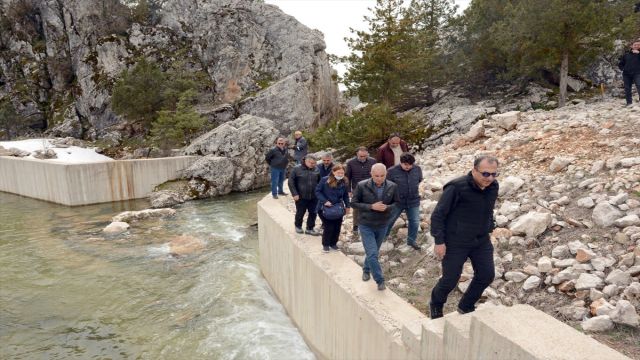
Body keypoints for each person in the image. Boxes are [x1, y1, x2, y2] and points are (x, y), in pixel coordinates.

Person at [428, 155, 500, 319]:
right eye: (485, 174)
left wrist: (490, 224)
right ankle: (436, 304)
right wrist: (439, 241)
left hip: (480, 240)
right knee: (450, 279)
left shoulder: (493, 186)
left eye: (494, 174)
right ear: (474, 170)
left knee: (486, 275)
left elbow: (487, 209)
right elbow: (438, 215)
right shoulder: (456, 187)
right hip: (455, 242)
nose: (490, 178)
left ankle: (466, 305)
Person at [351, 163, 398, 291]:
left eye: (382, 176)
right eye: (376, 176)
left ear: (386, 174)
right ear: (371, 174)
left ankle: (366, 269)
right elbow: (353, 203)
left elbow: (397, 203)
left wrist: (387, 208)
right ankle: (380, 280)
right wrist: (371, 206)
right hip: (366, 225)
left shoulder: (392, 186)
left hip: (382, 225)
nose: (379, 178)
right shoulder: (361, 185)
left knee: (373, 252)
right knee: (372, 254)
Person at [385, 153, 423, 251]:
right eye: (405, 164)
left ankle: (411, 241)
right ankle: (383, 238)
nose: (408, 167)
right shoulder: (391, 171)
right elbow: (387, 186)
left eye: (410, 164)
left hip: (413, 200)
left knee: (414, 222)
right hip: (397, 202)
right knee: (389, 220)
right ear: (401, 162)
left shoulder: (417, 169)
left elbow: (419, 180)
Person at [316, 163, 350, 252]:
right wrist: (325, 201)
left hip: (338, 208)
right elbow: (317, 191)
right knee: (328, 226)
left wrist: (348, 206)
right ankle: (326, 244)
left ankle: (333, 243)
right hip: (325, 207)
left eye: (342, 173)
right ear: (333, 172)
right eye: (339, 173)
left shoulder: (344, 182)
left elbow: (346, 195)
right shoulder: (325, 180)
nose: (340, 175)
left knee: (337, 227)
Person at [345, 147, 377, 233]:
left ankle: (370, 223)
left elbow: (376, 174)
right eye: (361, 156)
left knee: (371, 205)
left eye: (364, 156)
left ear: (367, 154)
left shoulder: (373, 161)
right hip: (356, 188)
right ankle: (356, 225)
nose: (363, 158)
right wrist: (348, 190)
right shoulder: (351, 163)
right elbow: (348, 177)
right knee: (356, 207)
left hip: (371, 187)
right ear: (357, 154)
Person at [288, 155, 321, 236]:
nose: (313, 165)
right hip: (300, 196)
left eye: (314, 163)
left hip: (314, 196)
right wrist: (294, 194)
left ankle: (310, 228)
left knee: (313, 212)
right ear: (306, 161)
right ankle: (298, 226)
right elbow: (290, 182)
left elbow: (319, 182)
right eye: (311, 163)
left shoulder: (316, 169)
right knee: (300, 212)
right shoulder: (296, 169)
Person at [619, 40, 640, 106]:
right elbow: (621, 64)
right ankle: (629, 103)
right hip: (626, 74)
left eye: (638, 45)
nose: (637, 46)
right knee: (627, 88)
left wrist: (639, 53)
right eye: (635, 45)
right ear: (631, 46)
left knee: (639, 86)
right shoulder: (626, 54)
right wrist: (623, 69)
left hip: (637, 73)